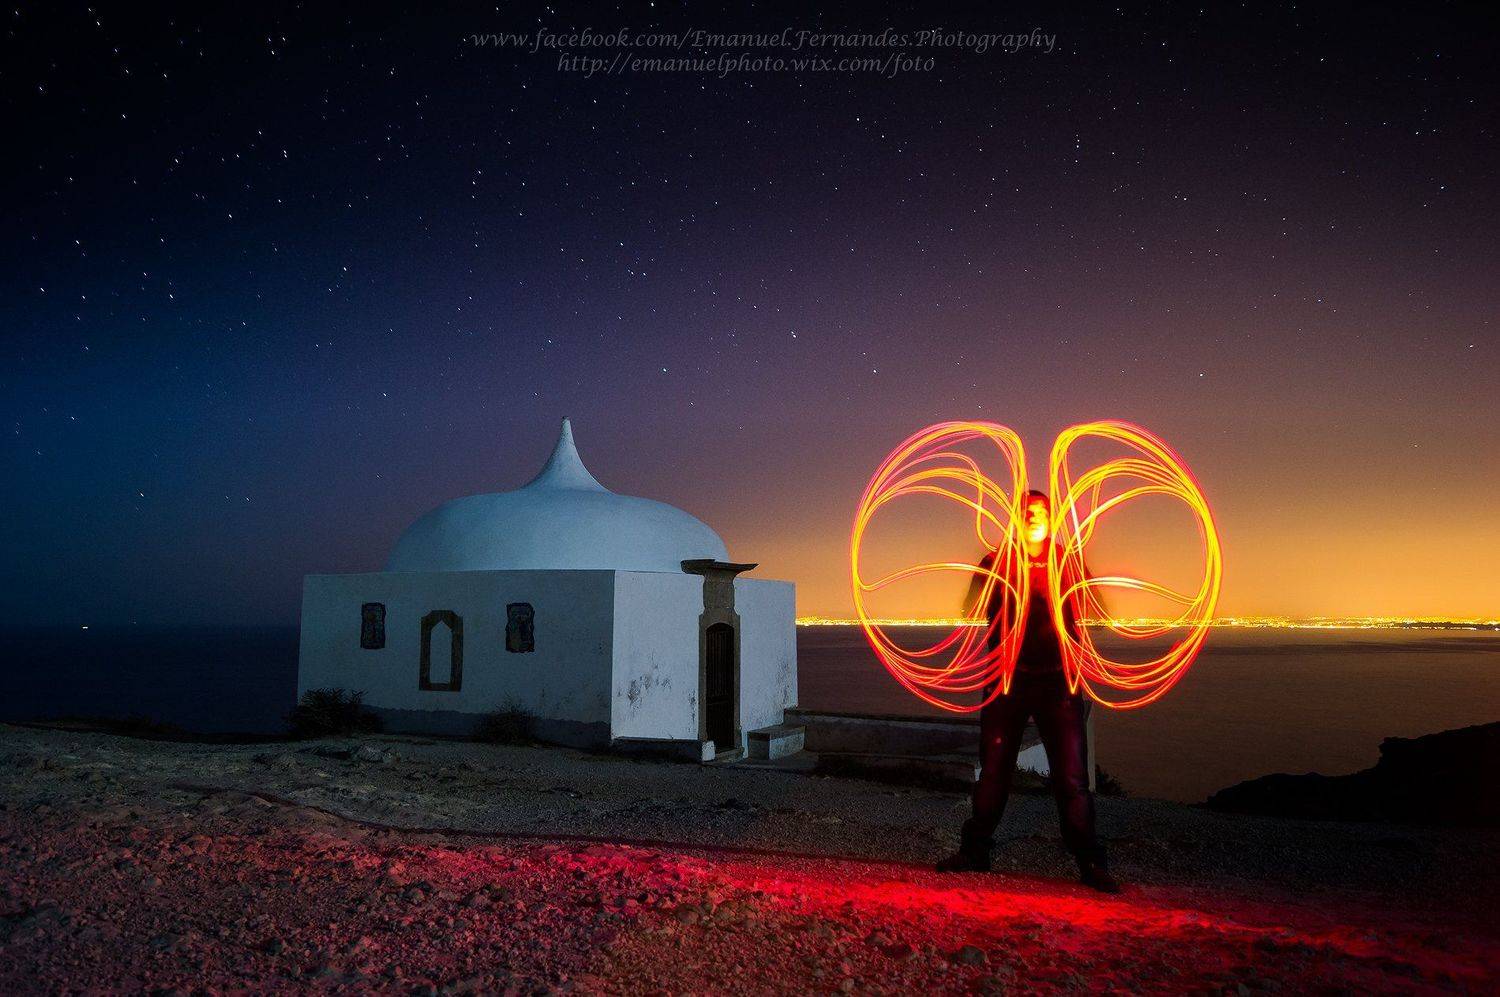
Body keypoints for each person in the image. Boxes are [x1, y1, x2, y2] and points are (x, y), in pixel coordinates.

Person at [935, 489, 1120, 893]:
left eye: (1040, 510)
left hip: (1058, 682)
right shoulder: (996, 561)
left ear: (1052, 519)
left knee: (1071, 777)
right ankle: (975, 851)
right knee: (993, 772)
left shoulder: (1067, 562)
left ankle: (1091, 862)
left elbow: (1100, 612)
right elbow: (969, 609)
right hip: (1007, 681)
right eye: (1026, 511)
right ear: (1016, 518)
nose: (1033, 515)